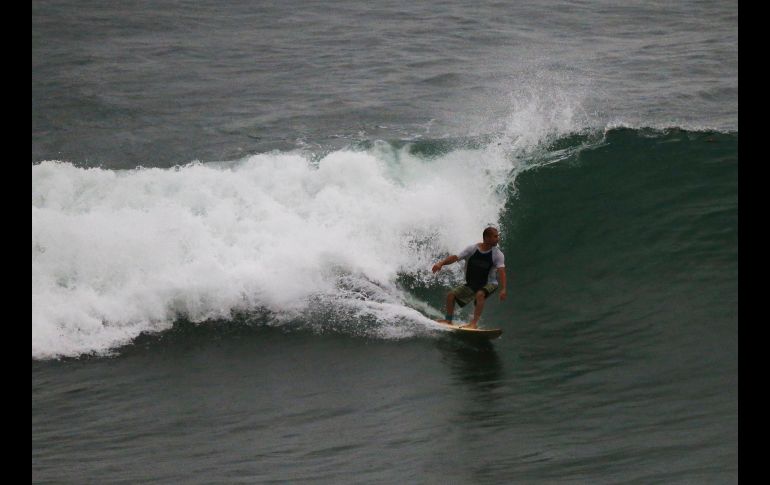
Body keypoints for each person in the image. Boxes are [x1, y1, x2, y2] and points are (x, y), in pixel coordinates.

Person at [432, 227, 507, 328]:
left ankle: (473, 324)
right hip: (472, 284)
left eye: (497, 236)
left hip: (489, 283)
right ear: (486, 238)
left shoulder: (497, 254)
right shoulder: (472, 249)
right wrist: (441, 263)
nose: (498, 238)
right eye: (495, 236)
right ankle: (448, 320)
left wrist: (503, 289)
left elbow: (502, 272)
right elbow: (455, 257)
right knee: (451, 295)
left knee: (480, 294)